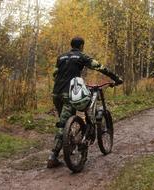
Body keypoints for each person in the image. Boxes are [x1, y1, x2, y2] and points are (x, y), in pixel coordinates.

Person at [47, 37, 123, 168]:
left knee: (63, 122)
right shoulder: (81, 56)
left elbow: (55, 73)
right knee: (64, 125)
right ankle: (53, 156)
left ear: (71, 45)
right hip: (68, 94)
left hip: (56, 93)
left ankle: (68, 145)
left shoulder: (61, 57)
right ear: (81, 46)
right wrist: (116, 78)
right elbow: (99, 66)